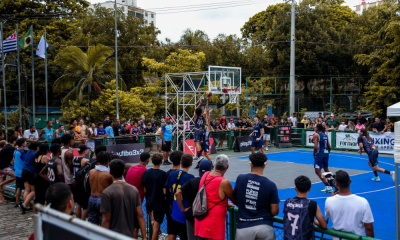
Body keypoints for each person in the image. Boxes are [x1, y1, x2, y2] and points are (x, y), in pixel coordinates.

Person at [234, 153, 279, 240]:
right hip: (264, 225)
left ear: (251, 164)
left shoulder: (240, 178)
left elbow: (236, 198)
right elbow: (274, 211)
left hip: (244, 226)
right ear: (264, 165)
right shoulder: (270, 185)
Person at [101, 159, 147, 239]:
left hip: (113, 236)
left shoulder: (107, 192)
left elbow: (106, 220)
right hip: (129, 236)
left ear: (110, 172)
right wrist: (144, 237)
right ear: (123, 172)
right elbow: (140, 215)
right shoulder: (134, 190)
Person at [195, 154, 237, 240]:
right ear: (227, 167)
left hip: (200, 220)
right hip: (214, 224)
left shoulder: (205, 174)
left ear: (214, 165)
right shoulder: (224, 182)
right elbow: (235, 200)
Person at [325, 170, 375, 239]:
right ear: (350, 181)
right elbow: (369, 228)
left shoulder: (329, 200)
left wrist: (332, 198)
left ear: (336, 185)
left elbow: (327, 215)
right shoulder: (363, 202)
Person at [175, 160, 213, 240]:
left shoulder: (192, 181)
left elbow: (177, 194)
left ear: (199, 169)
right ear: (211, 170)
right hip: (206, 215)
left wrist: (182, 209)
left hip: (192, 214)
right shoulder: (213, 183)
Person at [283, 175, 327, 240]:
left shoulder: (288, 202)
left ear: (296, 189)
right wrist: (315, 222)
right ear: (309, 189)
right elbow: (324, 225)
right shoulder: (312, 204)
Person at [165, 154, 195, 240]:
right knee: (184, 235)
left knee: (172, 233)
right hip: (184, 211)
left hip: (174, 210)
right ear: (191, 164)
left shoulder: (172, 174)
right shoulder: (190, 178)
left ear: (181, 162)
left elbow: (170, 189)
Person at [125, 151, 150, 239]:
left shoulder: (131, 168)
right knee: (135, 227)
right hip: (136, 201)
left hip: (125, 199)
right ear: (148, 161)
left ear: (139, 159)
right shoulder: (145, 171)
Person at [143, 153, 167, 240]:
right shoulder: (163, 174)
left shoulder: (147, 172)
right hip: (159, 203)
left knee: (154, 225)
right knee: (156, 228)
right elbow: (164, 191)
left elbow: (145, 189)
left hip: (149, 201)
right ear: (161, 162)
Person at [88, 151, 113, 225]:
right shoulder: (108, 175)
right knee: (104, 222)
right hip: (103, 199)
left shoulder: (91, 172)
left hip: (92, 198)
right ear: (108, 161)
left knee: (92, 223)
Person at [165, 150, 183, 237]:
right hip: (180, 206)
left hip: (169, 205)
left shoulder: (167, 174)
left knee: (171, 232)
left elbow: (165, 191)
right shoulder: (184, 175)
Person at [20, 141, 41, 213]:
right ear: (37, 148)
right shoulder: (35, 153)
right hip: (30, 172)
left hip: (24, 171)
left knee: (27, 190)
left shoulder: (28, 152)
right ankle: (24, 205)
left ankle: (26, 206)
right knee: (33, 191)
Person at [313, 124, 333, 193]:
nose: (314, 129)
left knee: (317, 171)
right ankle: (331, 183)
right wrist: (327, 153)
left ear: (318, 129)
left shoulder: (316, 135)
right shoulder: (325, 135)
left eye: (315, 127)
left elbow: (316, 147)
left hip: (320, 154)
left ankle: (327, 186)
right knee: (326, 169)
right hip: (326, 153)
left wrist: (314, 154)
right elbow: (329, 147)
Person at [73, 145, 90, 220]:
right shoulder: (85, 160)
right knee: (85, 206)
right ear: (84, 151)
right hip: (82, 183)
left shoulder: (74, 159)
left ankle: (78, 221)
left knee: (79, 204)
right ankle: (82, 223)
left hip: (75, 181)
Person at [0, 137, 17, 203]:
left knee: (1, 183)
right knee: (15, 176)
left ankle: (1, 199)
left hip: (1, 167)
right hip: (3, 167)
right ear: (14, 141)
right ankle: (1, 184)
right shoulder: (11, 148)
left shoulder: (6, 148)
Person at [14, 138, 27, 211]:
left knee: (19, 187)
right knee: (26, 188)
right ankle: (25, 203)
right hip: (22, 172)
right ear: (22, 144)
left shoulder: (15, 151)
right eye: (25, 142)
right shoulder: (22, 152)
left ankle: (17, 201)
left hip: (17, 171)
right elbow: (25, 160)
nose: (26, 143)